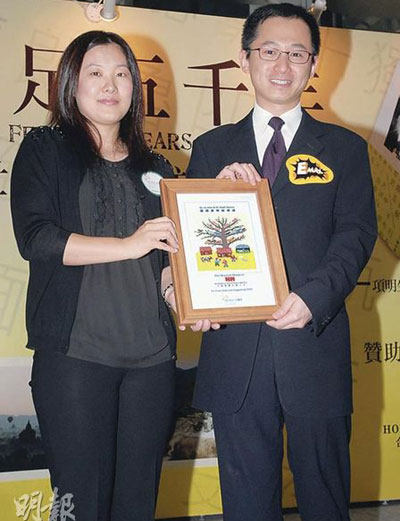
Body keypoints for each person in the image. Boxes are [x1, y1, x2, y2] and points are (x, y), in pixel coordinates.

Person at [186, 4, 377, 521]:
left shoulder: (345, 148)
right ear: (244, 59)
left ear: (314, 65)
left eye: (297, 53)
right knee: (246, 503)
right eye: (269, 50)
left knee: (325, 497)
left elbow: (356, 235)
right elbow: (191, 241)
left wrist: (313, 298)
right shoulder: (211, 149)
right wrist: (213, 198)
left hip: (313, 343)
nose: (282, 64)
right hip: (236, 351)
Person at [11, 31, 178, 521]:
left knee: (137, 504)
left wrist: (184, 297)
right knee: (79, 504)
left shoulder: (157, 167)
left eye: (122, 74)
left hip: (152, 361)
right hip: (76, 360)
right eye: (96, 73)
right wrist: (129, 244)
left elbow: (168, 261)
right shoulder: (45, 148)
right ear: (71, 82)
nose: (110, 85)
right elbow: (36, 239)